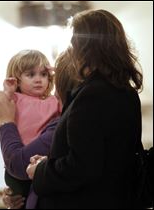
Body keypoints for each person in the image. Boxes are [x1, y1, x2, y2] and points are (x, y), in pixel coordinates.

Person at [26, 9, 144, 209]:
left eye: (74, 42)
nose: (71, 49)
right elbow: (98, 157)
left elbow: (82, 167)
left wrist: (40, 170)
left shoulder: (92, 95)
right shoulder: (126, 93)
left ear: (87, 47)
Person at [0, 49, 79, 209]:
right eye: (31, 75)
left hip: (36, 163)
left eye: (44, 74)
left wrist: (64, 74)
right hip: (15, 165)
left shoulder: (53, 102)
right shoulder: (14, 99)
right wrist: (7, 93)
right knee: (17, 197)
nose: (38, 80)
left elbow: (65, 105)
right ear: (16, 79)